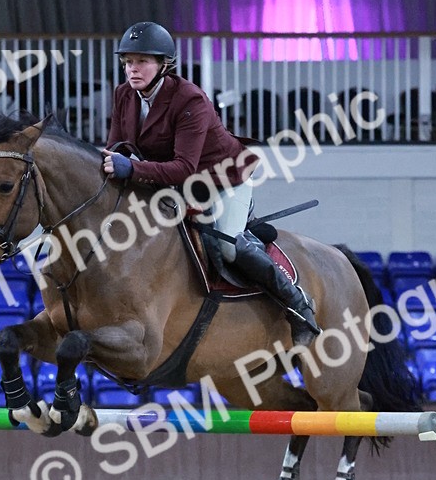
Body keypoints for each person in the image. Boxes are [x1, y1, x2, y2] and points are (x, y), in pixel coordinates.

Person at [103, 21, 320, 341]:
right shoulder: (124, 94)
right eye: (128, 62)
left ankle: (298, 304)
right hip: (171, 180)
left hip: (222, 178)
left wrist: (133, 170)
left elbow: (184, 167)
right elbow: (118, 148)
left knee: (226, 246)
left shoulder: (189, 99)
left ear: (164, 65)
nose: (132, 69)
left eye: (142, 61)